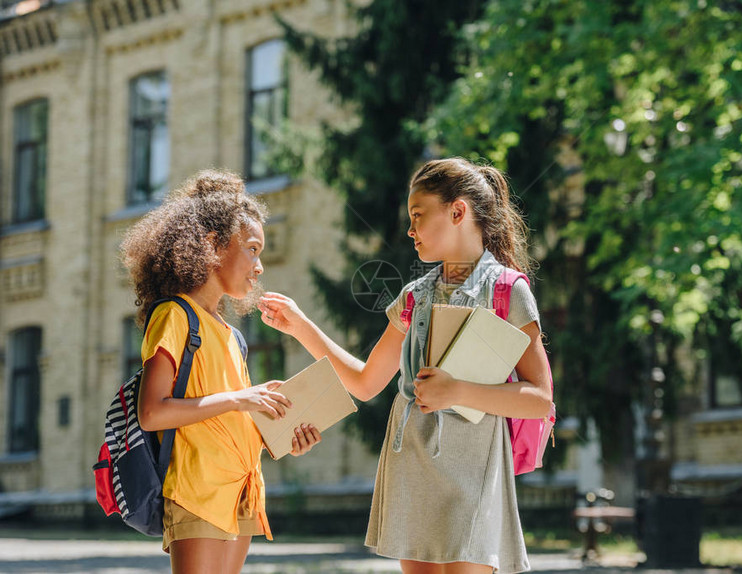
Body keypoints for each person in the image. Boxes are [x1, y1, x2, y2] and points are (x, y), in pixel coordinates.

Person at [259, 157, 553, 574]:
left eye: (418, 215)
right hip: (410, 464)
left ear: (457, 211)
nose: (410, 230)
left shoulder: (508, 290)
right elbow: (365, 383)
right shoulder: (413, 296)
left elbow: (540, 399)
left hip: (475, 472)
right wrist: (301, 327)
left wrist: (456, 391)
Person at [121, 169, 322, 574]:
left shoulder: (233, 335)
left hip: (243, 491)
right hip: (197, 490)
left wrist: (282, 435)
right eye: (251, 248)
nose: (259, 265)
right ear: (212, 246)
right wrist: (240, 397)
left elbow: (225, 422)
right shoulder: (174, 315)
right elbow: (153, 412)